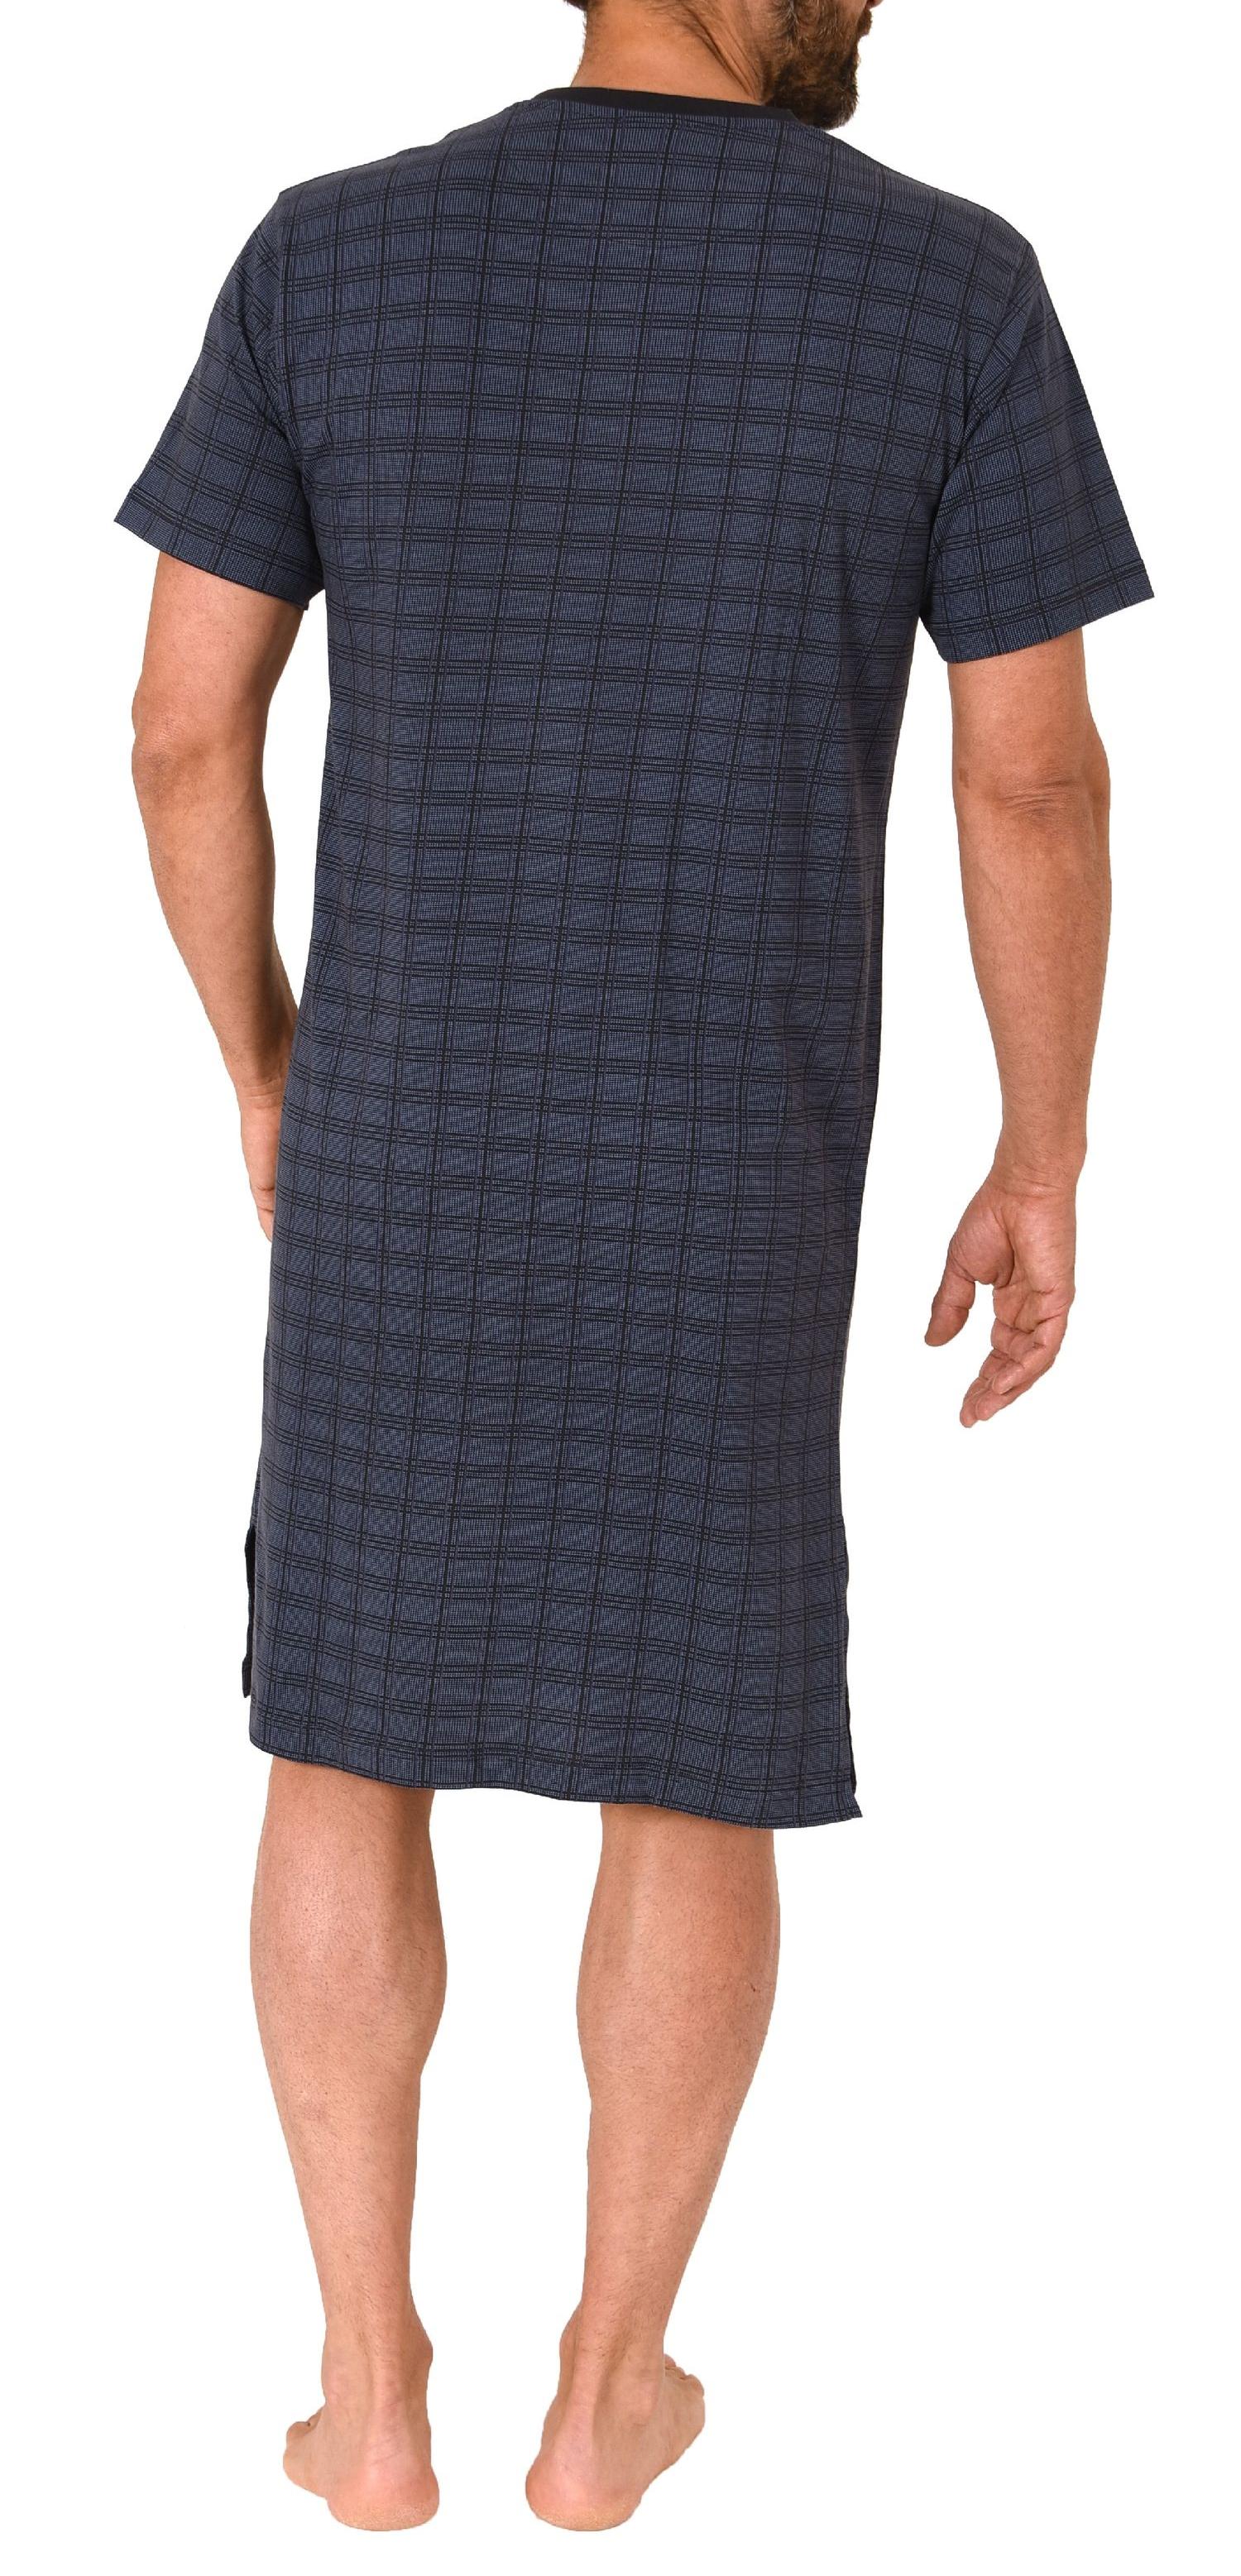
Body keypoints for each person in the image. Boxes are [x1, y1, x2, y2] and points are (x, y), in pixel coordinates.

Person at [118, 0, 1150, 2534]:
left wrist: (265, 1058)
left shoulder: (331, 256)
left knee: (342, 1729)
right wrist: (1041, 1144)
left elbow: (178, 726)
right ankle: (603, 2394)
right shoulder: (951, 288)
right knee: (695, 1751)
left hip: (400, 1135)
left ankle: (369, 2398)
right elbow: (1029, 768)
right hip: (729, 1146)